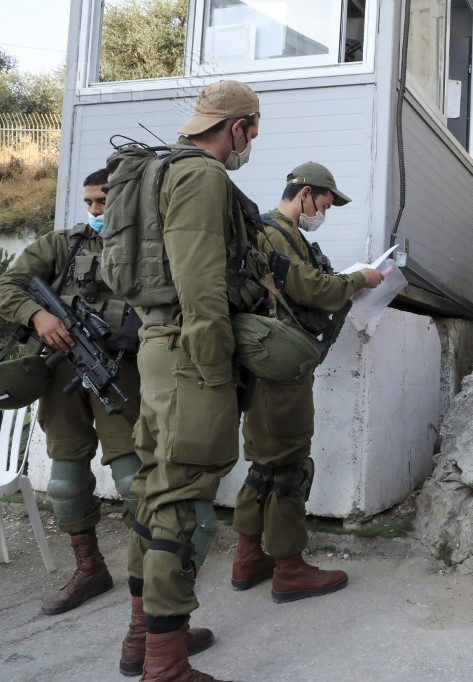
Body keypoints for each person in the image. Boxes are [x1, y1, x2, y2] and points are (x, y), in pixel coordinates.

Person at [117, 79, 269, 680]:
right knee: (183, 504)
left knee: (155, 492)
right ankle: (166, 665)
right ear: (237, 126)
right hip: (190, 353)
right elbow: (201, 284)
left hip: (157, 345)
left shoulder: (155, 171)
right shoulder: (201, 176)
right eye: (251, 132)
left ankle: (143, 638)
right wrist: (214, 371)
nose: (250, 144)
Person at [231, 162, 382, 602]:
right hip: (280, 366)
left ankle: (247, 557)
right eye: (325, 203)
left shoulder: (275, 232)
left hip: (267, 359)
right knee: (289, 465)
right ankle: (290, 568)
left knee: (263, 462)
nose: (324, 212)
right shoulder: (276, 232)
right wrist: (360, 279)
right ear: (305, 193)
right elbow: (310, 288)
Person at [0, 169, 145, 619]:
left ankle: (148, 580)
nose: (95, 211)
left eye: (103, 202)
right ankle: (90, 568)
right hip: (61, 371)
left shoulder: (149, 248)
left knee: (135, 482)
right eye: (90, 203)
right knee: (64, 483)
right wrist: (37, 317)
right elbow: (8, 285)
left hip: (123, 374)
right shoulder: (64, 243)